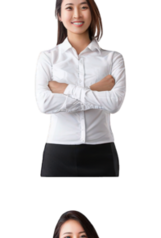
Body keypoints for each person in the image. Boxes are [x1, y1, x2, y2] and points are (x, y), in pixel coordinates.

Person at [35, 0, 128, 177]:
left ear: (92, 12)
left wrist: (67, 89)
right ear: (59, 14)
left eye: (83, 7)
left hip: (102, 151)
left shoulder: (113, 58)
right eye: (69, 7)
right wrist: (94, 89)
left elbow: (115, 104)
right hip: (58, 154)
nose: (77, 14)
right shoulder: (47, 57)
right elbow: (44, 104)